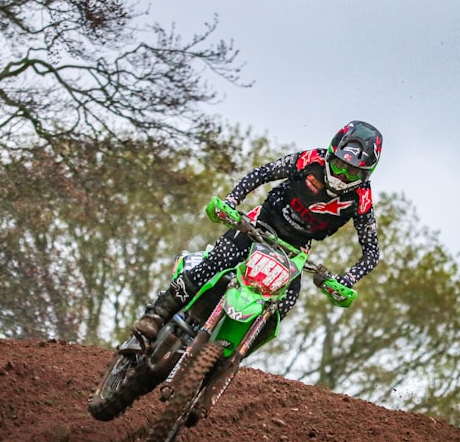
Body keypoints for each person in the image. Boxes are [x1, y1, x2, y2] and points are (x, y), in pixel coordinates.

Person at [134, 120, 383, 340]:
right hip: (259, 225)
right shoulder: (310, 160)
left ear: (365, 173)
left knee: (284, 302)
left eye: (351, 171)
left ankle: (227, 360)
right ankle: (157, 314)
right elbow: (262, 173)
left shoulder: (362, 200)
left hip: (294, 250)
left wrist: (348, 279)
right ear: (331, 154)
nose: (342, 174)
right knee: (218, 261)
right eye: (340, 165)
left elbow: (371, 252)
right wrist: (232, 201)